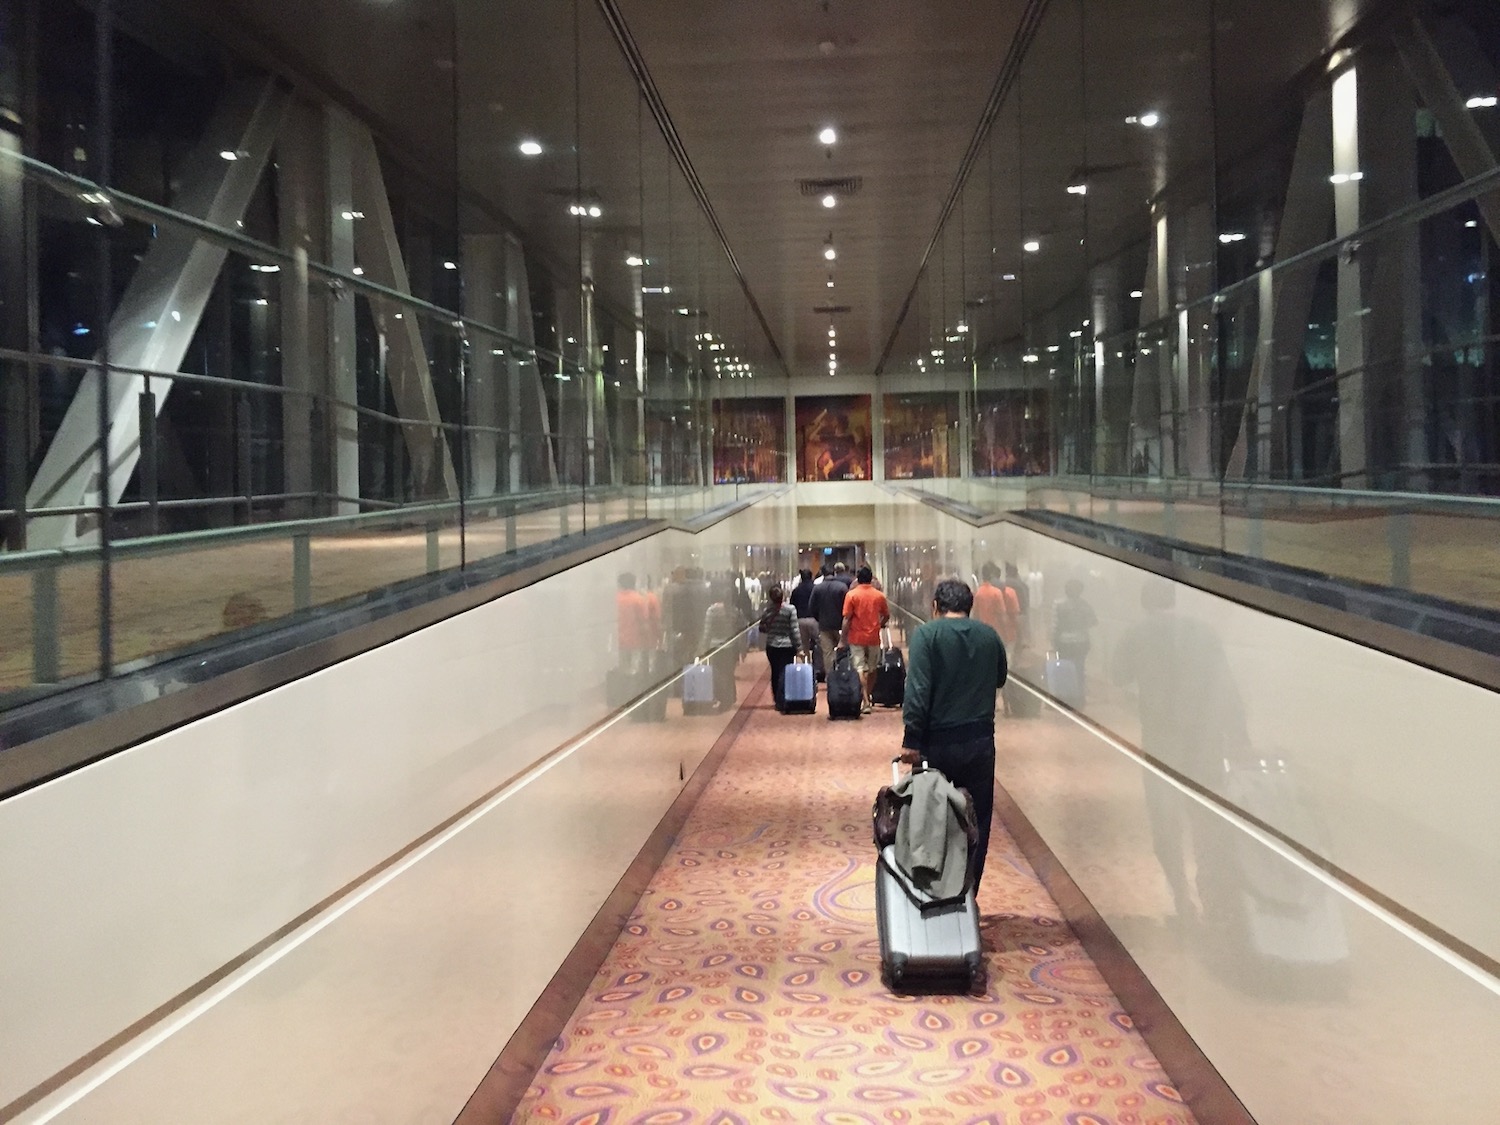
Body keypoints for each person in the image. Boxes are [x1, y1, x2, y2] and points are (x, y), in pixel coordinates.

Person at [901, 578, 1008, 893]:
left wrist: (911, 739)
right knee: (977, 816)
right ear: (969, 606)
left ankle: (937, 888)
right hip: (979, 740)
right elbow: (1000, 677)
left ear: (936, 606)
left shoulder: (926, 635)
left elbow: (918, 690)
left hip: (937, 743)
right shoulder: (990, 636)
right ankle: (968, 891)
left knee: (932, 814)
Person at [838, 564, 890, 715]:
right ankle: (868, 696)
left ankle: (865, 700)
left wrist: (843, 639)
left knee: (859, 668)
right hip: (874, 637)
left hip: (856, 637)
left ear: (858, 579)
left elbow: (847, 619)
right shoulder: (879, 596)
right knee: (873, 669)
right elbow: (886, 615)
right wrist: (880, 625)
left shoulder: (851, 595)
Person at [757, 584, 803, 712]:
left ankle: (777, 699)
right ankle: (784, 698)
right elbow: (794, 630)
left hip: (772, 645)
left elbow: (762, 627)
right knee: (785, 672)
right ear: (782, 596)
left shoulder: (768, 611)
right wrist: (799, 647)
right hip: (787, 646)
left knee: (775, 672)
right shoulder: (790, 609)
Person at [1051, 579, 1098, 703]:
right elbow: (1094, 621)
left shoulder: (1058, 604)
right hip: (1081, 641)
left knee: (1065, 668)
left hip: (1063, 642)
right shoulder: (1085, 605)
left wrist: (1053, 641)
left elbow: (1054, 625)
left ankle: (1065, 697)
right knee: (1079, 669)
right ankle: (1080, 698)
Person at [808, 560, 851, 674]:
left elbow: (811, 607)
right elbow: (847, 606)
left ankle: (830, 676)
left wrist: (819, 618)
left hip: (824, 625)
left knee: (827, 653)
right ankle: (843, 674)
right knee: (844, 650)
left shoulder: (817, 588)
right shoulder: (842, 587)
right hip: (841, 625)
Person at [616, 573, 650, 672]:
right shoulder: (638, 599)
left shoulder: (616, 598)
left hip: (620, 639)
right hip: (636, 639)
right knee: (634, 667)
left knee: (623, 666)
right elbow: (644, 619)